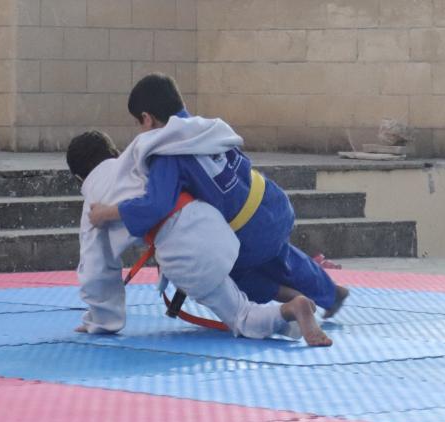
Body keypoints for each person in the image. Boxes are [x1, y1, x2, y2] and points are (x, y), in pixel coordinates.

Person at [89, 73, 349, 319]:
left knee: (222, 272)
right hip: (272, 204)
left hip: (248, 231)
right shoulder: (208, 128)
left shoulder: (167, 153)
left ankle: (293, 300)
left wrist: (106, 213)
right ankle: (331, 293)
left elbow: (155, 206)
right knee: (283, 256)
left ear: (147, 119)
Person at [68, 130, 332, 346]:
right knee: (236, 283)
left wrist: (102, 320)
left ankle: (293, 308)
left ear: (79, 178)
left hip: (184, 250)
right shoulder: (139, 159)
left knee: (241, 316)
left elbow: (96, 270)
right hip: (211, 222)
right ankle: (291, 319)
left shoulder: (94, 199)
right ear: (114, 152)